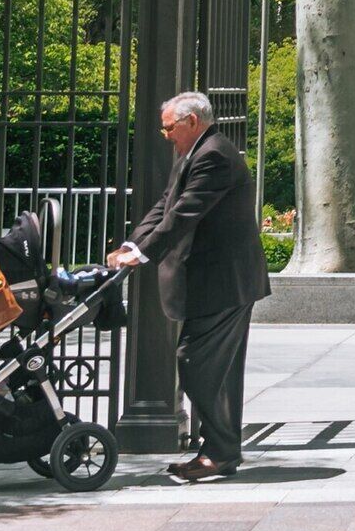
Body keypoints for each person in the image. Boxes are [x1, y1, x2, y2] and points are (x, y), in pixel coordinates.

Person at [112, 90, 269, 480]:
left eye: (169, 127)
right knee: (214, 369)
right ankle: (219, 452)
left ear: (192, 122)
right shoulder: (195, 152)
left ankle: (220, 451)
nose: (165, 134)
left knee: (196, 362)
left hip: (225, 283)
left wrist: (143, 255)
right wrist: (134, 244)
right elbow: (167, 203)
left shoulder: (214, 155)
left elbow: (185, 213)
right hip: (218, 283)